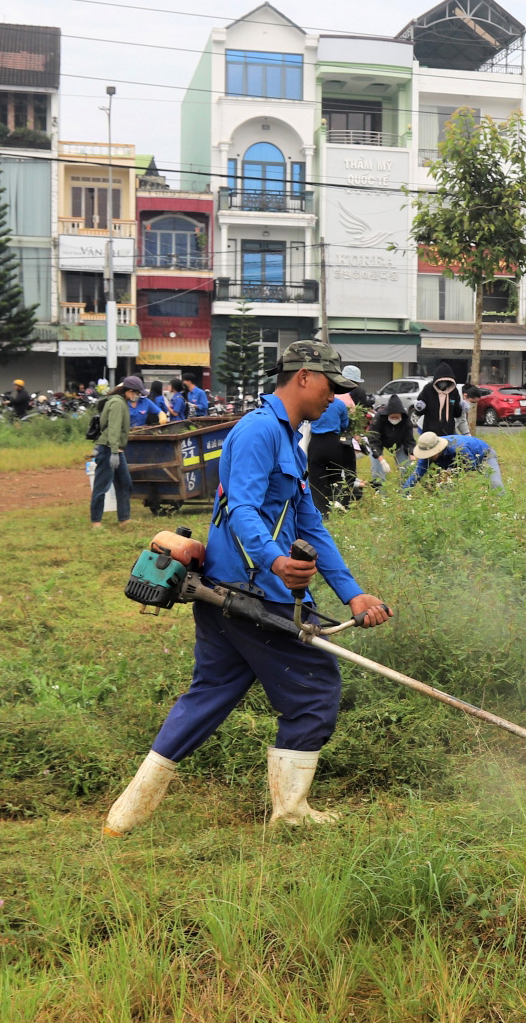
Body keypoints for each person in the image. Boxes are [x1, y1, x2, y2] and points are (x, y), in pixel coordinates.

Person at [103, 341, 392, 837]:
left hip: (226, 591)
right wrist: (276, 561)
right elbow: (241, 509)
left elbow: (310, 524)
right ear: (304, 376)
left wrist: (353, 593)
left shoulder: (288, 437)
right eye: (330, 386)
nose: (334, 397)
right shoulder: (260, 430)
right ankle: (291, 813)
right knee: (314, 687)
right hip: (247, 593)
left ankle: (126, 813)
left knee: (210, 694)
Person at [89, 376, 142, 528]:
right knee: (102, 486)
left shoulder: (120, 402)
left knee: (125, 483)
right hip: (109, 449)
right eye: (136, 393)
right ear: (129, 391)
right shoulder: (117, 403)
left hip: (116, 450)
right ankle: (96, 522)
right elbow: (113, 428)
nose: (137, 396)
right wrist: (113, 452)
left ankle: (124, 519)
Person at [305, 380, 355, 511]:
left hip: (316, 443)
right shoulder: (339, 404)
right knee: (336, 475)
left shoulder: (314, 402)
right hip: (334, 443)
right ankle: (338, 503)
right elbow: (344, 424)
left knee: (316, 479)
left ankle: (321, 510)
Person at [402, 430, 503, 492]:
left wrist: (450, 472)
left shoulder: (458, 447)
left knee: (495, 483)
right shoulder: (426, 455)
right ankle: (449, 514)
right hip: (456, 465)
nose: (429, 457)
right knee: (445, 487)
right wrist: (404, 493)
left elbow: (471, 465)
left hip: (484, 455)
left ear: (438, 449)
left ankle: (503, 510)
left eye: (431, 454)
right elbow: (416, 476)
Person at [367, 394, 415, 486]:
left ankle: (405, 493)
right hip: (379, 442)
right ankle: (380, 494)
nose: (394, 419)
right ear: (387, 415)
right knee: (377, 469)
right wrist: (382, 460)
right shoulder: (379, 418)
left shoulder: (406, 420)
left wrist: (413, 457)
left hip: (399, 443)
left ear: (401, 416)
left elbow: (409, 440)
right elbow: (373, 439)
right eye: (392, 417)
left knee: (406, 468)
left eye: (397, 417)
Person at [416, 363, 466, 436]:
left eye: (446, 381)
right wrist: (419, 407)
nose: (443, 383)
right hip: (430, 432)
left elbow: (457, 414)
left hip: (448, 432)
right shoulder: (428, 389)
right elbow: (419, 412)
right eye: (441, 381)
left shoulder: (453, 391)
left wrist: (460, 407)